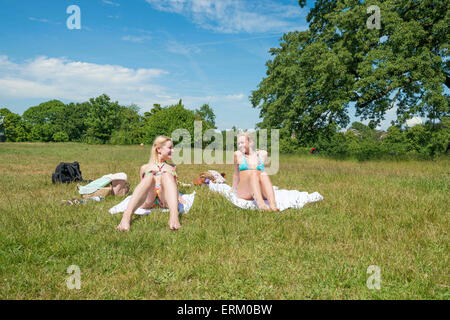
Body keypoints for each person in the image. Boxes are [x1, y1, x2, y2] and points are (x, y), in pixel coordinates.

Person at [117, 136, 181, 231]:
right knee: (149, 177)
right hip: (148, 199)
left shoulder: (172, 167)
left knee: (167, 175)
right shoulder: (145, 167)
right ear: (159, 149)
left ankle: (174, 216)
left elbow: (173, 186)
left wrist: (179, 197)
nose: (173, 150)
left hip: (164, 199)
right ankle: (126, 216)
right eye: (170, 148)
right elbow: (142, 188)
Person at [233, 132, 279, 211]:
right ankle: (261, 204)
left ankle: (273, 205)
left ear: (250, 142)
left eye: (242, 143)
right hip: (245, 191)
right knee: (253, 173)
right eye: (238, 144)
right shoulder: (238, 155)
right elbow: (236, 173)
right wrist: (233, 188)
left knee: (263, 174)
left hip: (259, 190)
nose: (240, 145)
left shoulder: (262, 154)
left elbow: (261, 174)